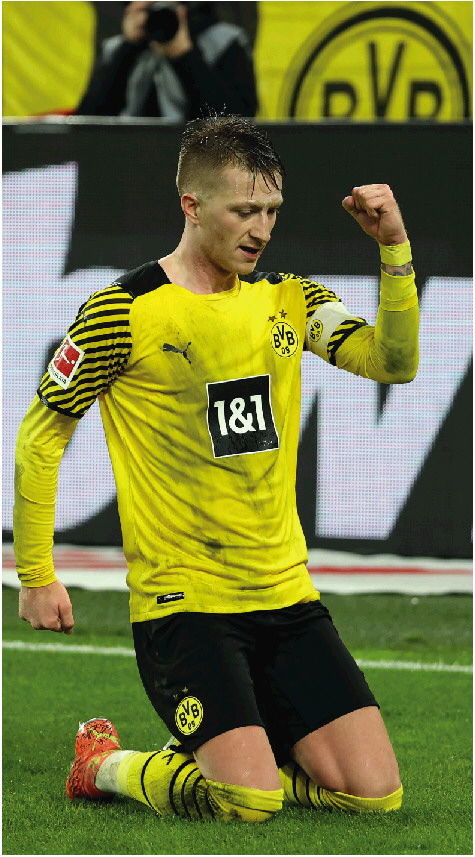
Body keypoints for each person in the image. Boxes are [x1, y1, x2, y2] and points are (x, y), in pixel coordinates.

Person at [15, 115, 419, 823]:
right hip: (186, 605)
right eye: (244, 210)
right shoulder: (121, 312)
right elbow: (39, 438)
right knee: (247, 801)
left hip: (285, 595)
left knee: (375, 794)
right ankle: (105, 764)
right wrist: (37, 573)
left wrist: (393, 248)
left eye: (271, 211)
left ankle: (250, 754)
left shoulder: (291, 299)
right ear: (192, 205)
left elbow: (393, 362)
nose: (261, 229)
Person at [76, 1, 257, 119]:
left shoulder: (224, 42)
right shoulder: (116, 49)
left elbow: (237, 123)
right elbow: (89, 121)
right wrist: (128, 48)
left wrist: (185, 56)